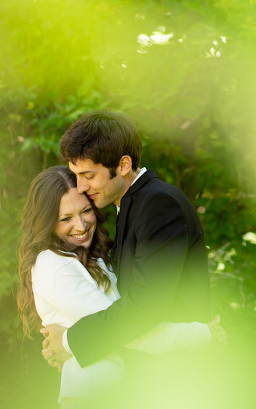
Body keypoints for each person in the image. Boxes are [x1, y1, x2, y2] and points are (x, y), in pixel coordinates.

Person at [17, 165, 223, 409]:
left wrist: (67, 341)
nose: (81, 226)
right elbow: (128, 330)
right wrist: (200, 334)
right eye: (66, 219)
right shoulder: (54, 266)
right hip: (89, 402)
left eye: (85, 211)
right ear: (46, 222)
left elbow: (125, 317)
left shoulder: (91, 258)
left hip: (117, 400)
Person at [41, 109, 215, 372]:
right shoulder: (132, 206)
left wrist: (68, 341)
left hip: (179, 374)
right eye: (76, 175)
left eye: (89, 175)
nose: (80, 187)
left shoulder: (157, 204)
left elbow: (145, 307)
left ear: (123, 165)